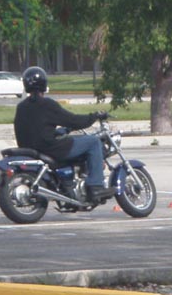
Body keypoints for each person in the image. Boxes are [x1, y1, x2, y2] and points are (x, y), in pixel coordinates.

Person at [13, 66, 111, 200]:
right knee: (93, 142)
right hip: (50, 148)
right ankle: (96, 186)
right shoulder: (47, 104)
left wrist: (59, 131)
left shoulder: (21, 106)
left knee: (74, 140)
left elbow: (37, 129)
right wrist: (94, 116)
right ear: (44, 84)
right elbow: (73, 120)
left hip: (30, 148)